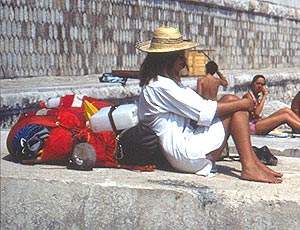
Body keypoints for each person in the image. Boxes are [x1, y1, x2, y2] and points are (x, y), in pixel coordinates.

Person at [136, 26, 282, 183]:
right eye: (181, 57)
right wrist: (245, 103)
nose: (183, 61)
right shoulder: (160, 86)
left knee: (230, 100)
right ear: (169, 59)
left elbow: (200, 106)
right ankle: (249, 166)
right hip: (183, 154)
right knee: (237, 108)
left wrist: (239, 102)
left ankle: (252, 162)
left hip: (185, 144)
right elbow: (204, 110)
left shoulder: (165, 83)